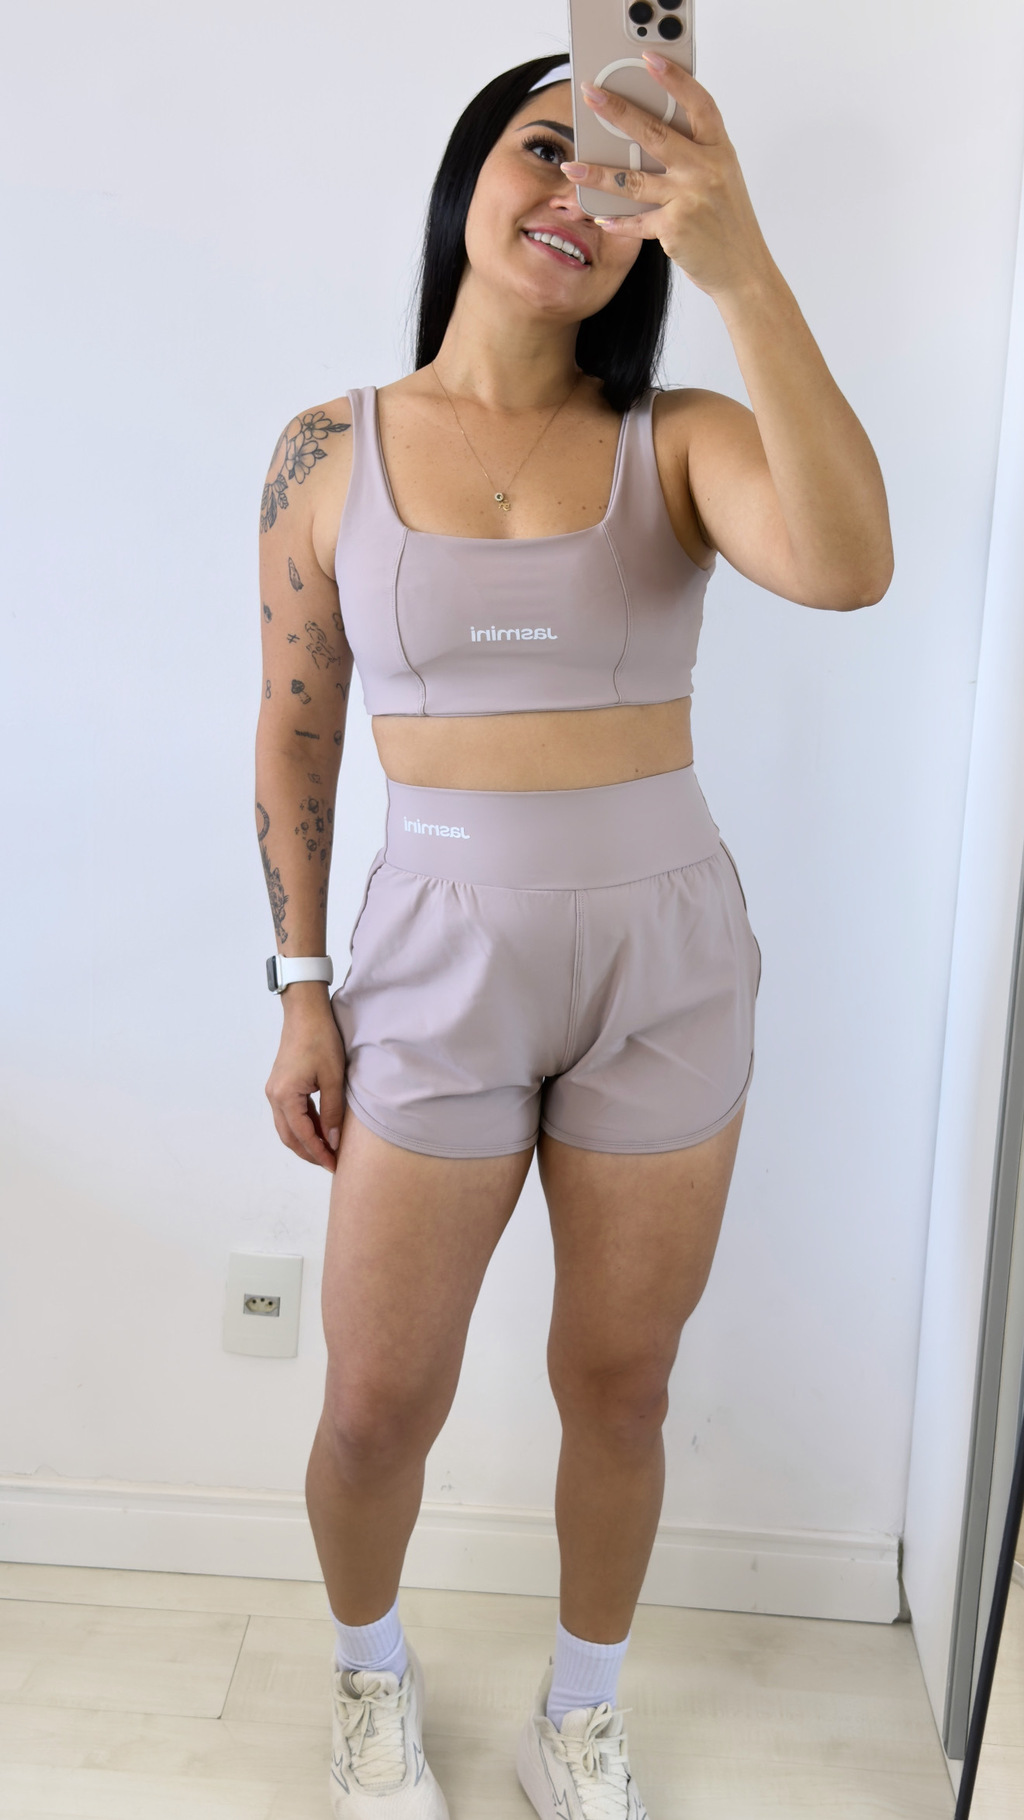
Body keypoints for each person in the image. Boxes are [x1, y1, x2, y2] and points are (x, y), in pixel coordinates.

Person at [255, 49, 893, 1820]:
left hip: (662, 970)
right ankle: (369, 1675)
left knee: (620, 1383)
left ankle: (582, 1715)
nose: (574, 199)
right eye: (548, 150)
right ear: (472, 173)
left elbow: (850, 567)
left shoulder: (677, 441)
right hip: (431, 967)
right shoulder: (326, 449)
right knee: (376, 1405)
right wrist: (301, 988)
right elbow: (295, 732)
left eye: (624, 183)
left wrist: (742, 262)